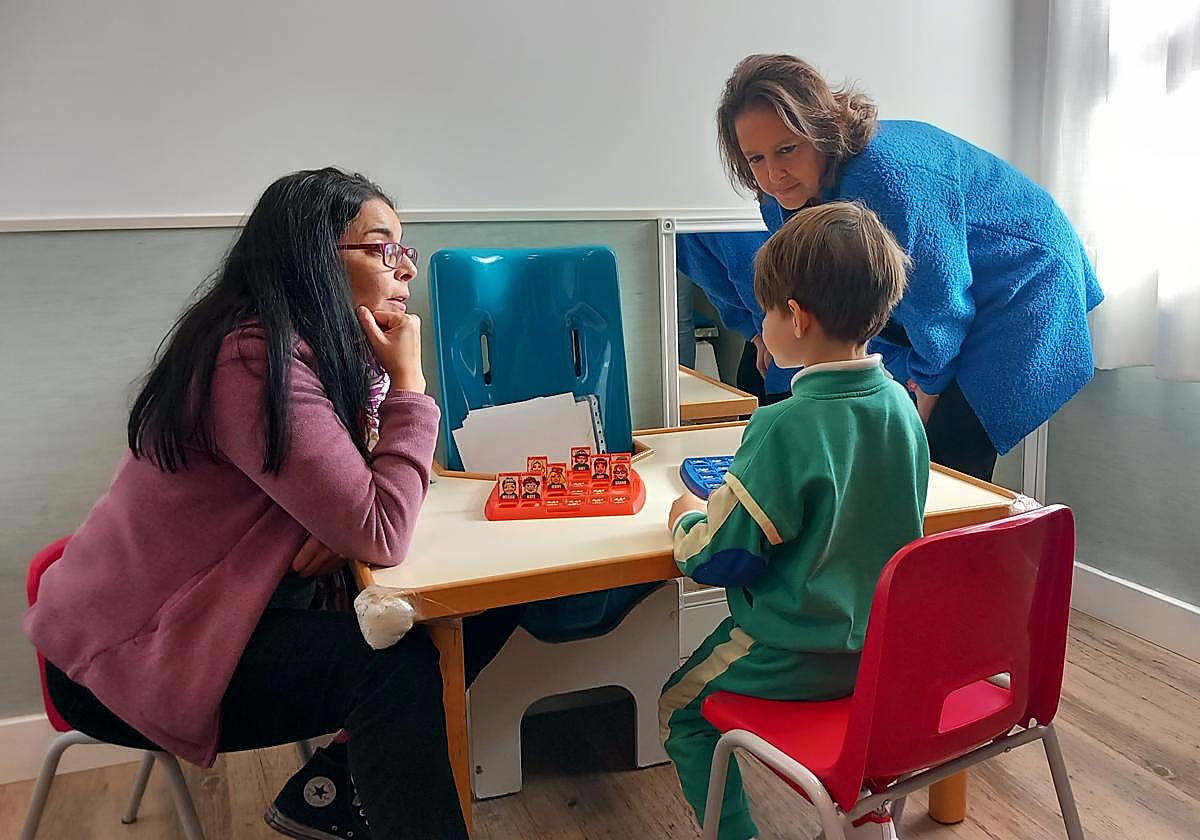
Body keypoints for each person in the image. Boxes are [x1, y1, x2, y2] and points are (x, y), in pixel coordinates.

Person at [23, 168, 520, 840]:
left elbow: (370, 500)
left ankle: (332, 791)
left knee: (479, 603)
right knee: (393, 672)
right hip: (131, 654)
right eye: (383, 249)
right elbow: (382, 527)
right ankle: (344, 793)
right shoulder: (254, 361)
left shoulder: (315, 355)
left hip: (223, 614)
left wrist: (345, 521)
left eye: (405, 250)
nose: (405, 269)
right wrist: (410, 381)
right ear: (314, 257)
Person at [660, 202, 930, 840]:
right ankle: (867, 825)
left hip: (791, 650)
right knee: (856, 727)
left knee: (680, 708)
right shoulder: (902, 406)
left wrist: (684, 519)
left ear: (796, 317)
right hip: (878, 656)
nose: (760, 329)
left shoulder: (782, 424)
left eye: (764, 313)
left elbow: (717, 558)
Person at [713, 53, 1104, 479]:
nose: (773, 174)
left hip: (1026, 278)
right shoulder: (782, 195)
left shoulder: (885, 178)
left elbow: (940, 297)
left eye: (787, 149)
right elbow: (808, 284)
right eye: (755, 159)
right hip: (955, 289)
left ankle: (946, 542)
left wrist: (931, 383)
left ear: (820, 131)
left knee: (944, 457)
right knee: (897, 443)